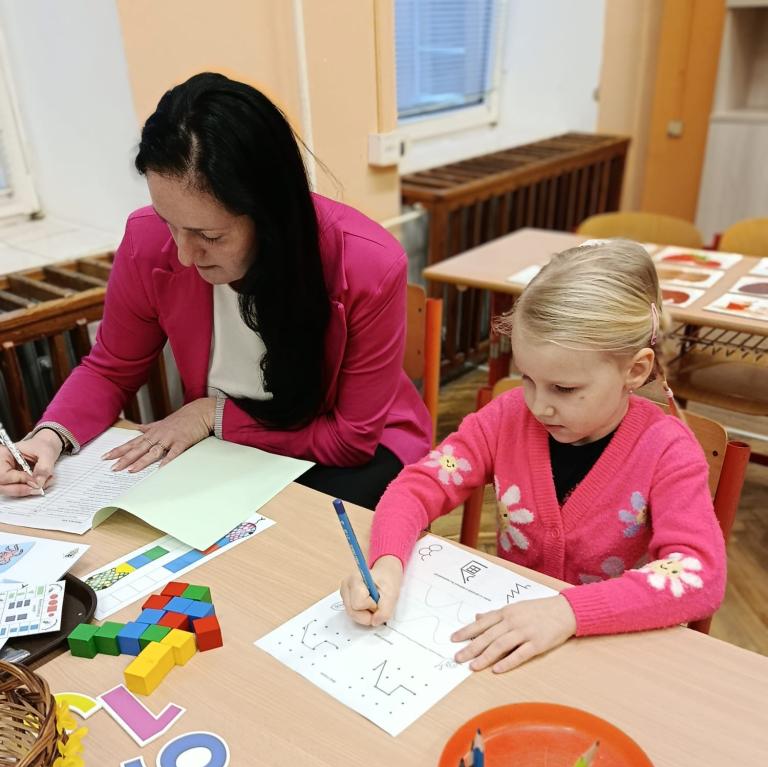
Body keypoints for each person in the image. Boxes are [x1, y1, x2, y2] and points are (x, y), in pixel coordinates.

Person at [0, 73, 431, 509]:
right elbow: (111, 369)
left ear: (269, 216)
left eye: (210, 235)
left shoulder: (368, 264)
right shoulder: (147, 241)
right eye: (169, 222)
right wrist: (48, 437)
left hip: (349, 449)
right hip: (230, 445)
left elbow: (349, 438)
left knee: (283, 539)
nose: (185, 255)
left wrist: (212, 414)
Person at [341, 240, 726, 671]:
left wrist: (567, 612)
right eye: (527, 378)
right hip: (512, 641)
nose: (539, 405)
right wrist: (387, 562)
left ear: (634, 370)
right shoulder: (508, 418)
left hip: (608, 654)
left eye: (563, 389)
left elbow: (700, 576)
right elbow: (418, 487)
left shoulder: (667, 450)